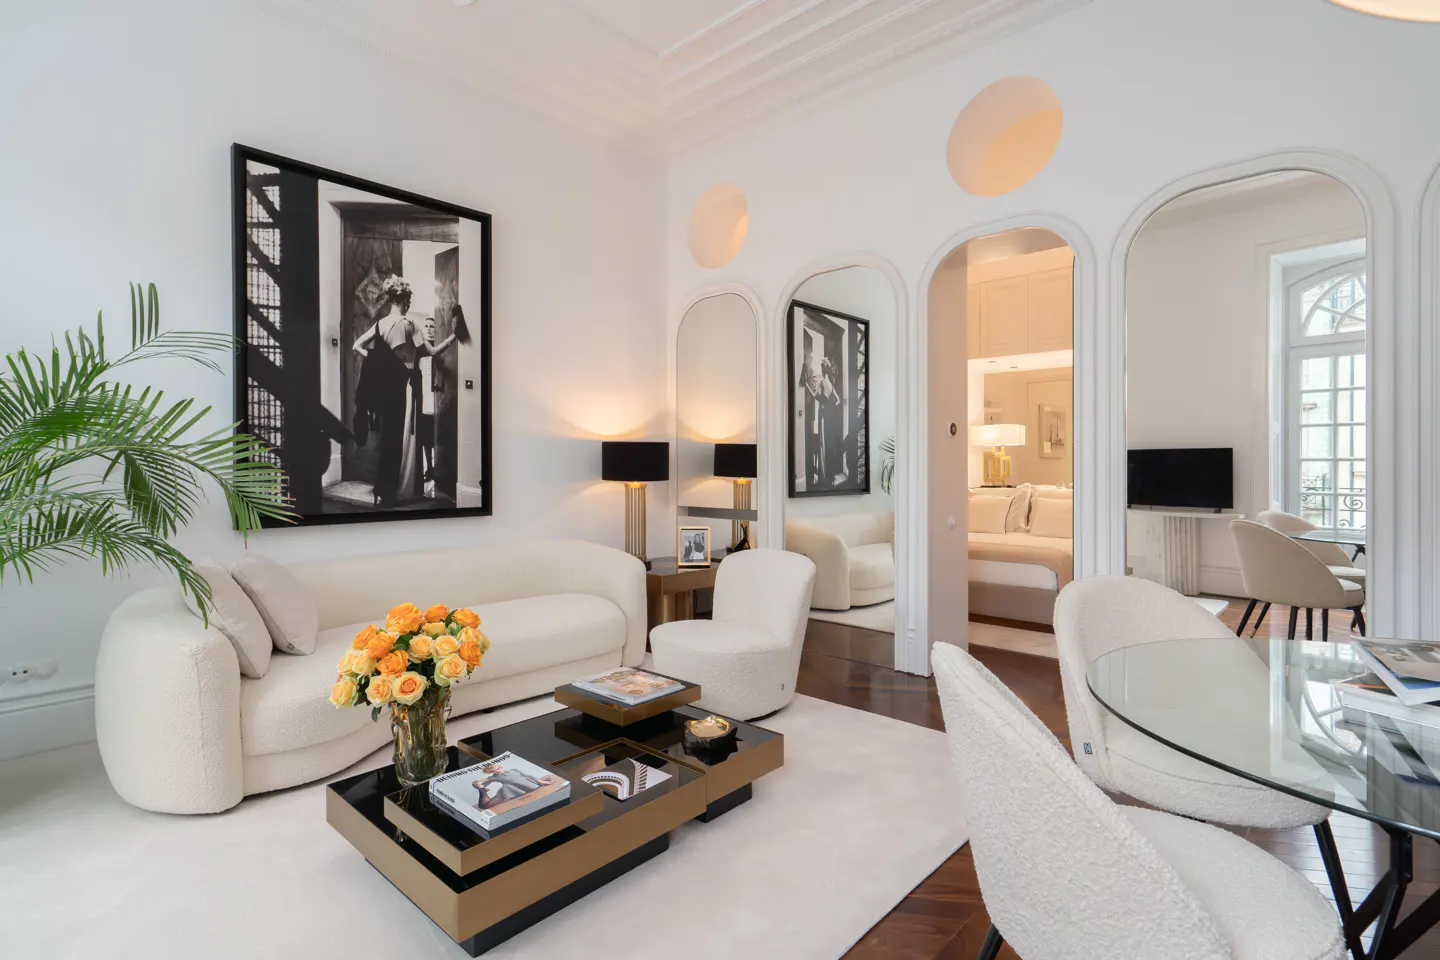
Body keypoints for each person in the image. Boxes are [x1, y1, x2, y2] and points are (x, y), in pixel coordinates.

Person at [352, 276, 457, 506]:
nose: (409, 305)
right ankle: (403, 489)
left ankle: (384, 490)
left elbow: (356, 346)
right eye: (408, 301)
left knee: (390, 439)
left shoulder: (379, 324)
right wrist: (452, 337)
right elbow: (432, 351)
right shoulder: (410, 325)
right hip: (407, 388)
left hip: (388, 390)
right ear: (404, 301)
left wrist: (379, 360)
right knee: (407, 438)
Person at [473, 761, 554, 808]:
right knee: (484, 806)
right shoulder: (493, 777)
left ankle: (540, 781)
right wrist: (478, 784)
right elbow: (481, 785)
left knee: (547, 777)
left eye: (497, 769)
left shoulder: (513, 770)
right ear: (491, 773)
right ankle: (482, 792)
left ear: (500, 766)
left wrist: (540, 781)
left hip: (527, 784)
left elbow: (527, 775)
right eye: (493, 771)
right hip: (508, 790)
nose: (497, 771)